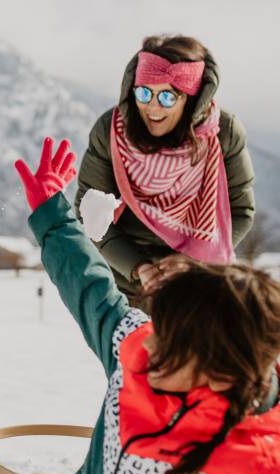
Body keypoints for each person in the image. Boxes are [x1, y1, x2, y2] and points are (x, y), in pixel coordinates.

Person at [1, 138, 280, 474]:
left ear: (219, 370)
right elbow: (88, 285)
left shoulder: (248, 434)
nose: (149, 346)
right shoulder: (132, 347)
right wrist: (54, 217)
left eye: (169, 345)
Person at [75, 35, 255, 302]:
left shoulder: (224, 133)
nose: (153, 107)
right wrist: (139, 268)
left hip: (199, 276)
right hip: (125, 280)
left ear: (191, 100)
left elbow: (241, 211)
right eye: (144, 92)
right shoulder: (110, 132)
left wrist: (189, 262)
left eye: (168, 97)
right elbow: (91, 214)